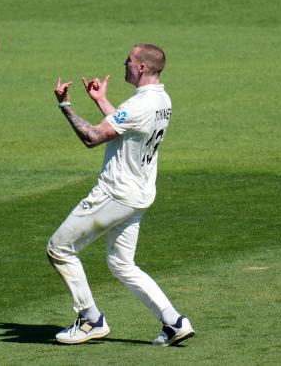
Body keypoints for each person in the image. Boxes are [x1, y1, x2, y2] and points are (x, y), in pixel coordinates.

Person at [47, 44, 194, 345]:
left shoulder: (140, 105)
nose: (124, 63)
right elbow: (126, 128)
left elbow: (93, 138)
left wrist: (65, 105)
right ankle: (174, 321)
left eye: (129, 60)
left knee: (59, 248)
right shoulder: (161, 99)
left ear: (141, 67)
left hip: (115, 193)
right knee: (121, 264)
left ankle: (90, 320)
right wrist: (102, 101)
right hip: (139, 193)